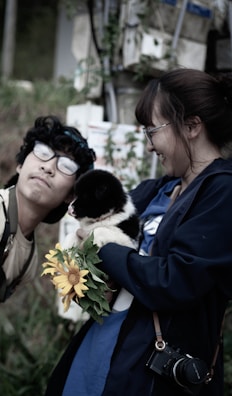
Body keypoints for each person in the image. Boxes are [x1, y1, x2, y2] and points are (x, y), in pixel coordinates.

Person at [44, 68, 232, 396]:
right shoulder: (153, 190)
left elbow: (173, 279)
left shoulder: (222, 193)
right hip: (102, 348)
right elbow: (92, 243)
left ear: (191, 126)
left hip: (149, 373)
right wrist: (81, 273)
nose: (148, 147)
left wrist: (102, 247)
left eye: (152, 131)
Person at [0, 115, 96, 395]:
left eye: (65, 166)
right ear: (20, 164)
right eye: (41, 153)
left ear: (70, 196)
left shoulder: (28, 263)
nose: (48, 167)